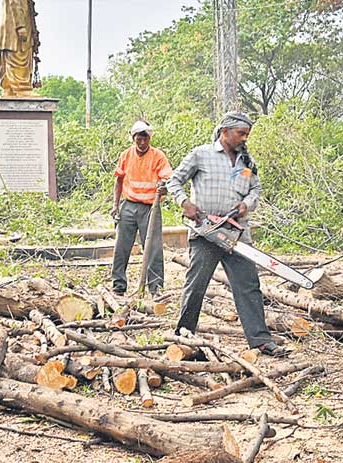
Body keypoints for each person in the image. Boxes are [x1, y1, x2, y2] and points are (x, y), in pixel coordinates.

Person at [167, 112, 287, 357]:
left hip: (237, 233)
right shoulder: (201, 154)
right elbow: (174, 181)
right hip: (206, 231)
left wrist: (246, 205)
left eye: (247, 134)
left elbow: (256, 189)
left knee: (248, 285)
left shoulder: (246, 162)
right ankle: (183, 335)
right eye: (241, 134)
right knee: (196, 284)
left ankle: (261, 341)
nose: (245, 138)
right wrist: (185, 203)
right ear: (225, 132)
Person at [110, 120, 172, 295]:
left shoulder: (158, 156)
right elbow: (119, 180)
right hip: (128, 206)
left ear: (149, 138)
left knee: (153, 249)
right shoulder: (126, 155)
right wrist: (115, 205)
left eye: (145, 138)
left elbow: (167, 177)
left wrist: (164, 186)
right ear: (134, 138)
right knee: (121, 247)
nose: (142, 142)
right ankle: (118, 286)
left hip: (150, 208)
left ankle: (155, 288)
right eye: (139, 138)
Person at [0, 0, 40, 96]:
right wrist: (21, 26)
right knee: (18, 54)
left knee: (18, 54)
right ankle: (20, 88)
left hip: (16, 24)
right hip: (15, 25)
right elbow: (15, 0)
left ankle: (11, 88)